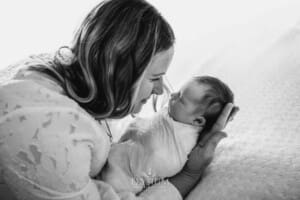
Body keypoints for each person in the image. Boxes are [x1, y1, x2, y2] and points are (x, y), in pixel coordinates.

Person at [0, 0, 238, 199]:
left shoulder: (66, 75)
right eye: (155, 77)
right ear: (119, 73)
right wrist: (189, 176)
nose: (159, 92)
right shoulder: (46, 137)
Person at [100, 76, 235, 194]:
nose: (172, 95)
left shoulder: (181, 144)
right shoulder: (178, 115)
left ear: (198, 121)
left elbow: (161, 162)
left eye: (180, 98)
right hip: (113, 154)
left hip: (120, 179)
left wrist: (190, 174)